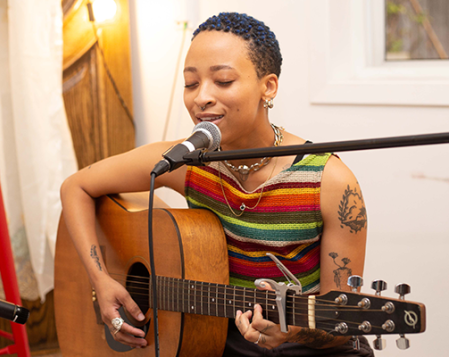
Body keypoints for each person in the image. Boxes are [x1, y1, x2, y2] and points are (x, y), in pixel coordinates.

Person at [60, 12, 372, 356]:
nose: (201, 98)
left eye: (222, 81)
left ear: (267, 86)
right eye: (191, 83)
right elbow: (76, 187)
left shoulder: (330, 181)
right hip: (216, 342)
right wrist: (101, 280)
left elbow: (342, 325)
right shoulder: (184, 163)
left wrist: (292, 330)